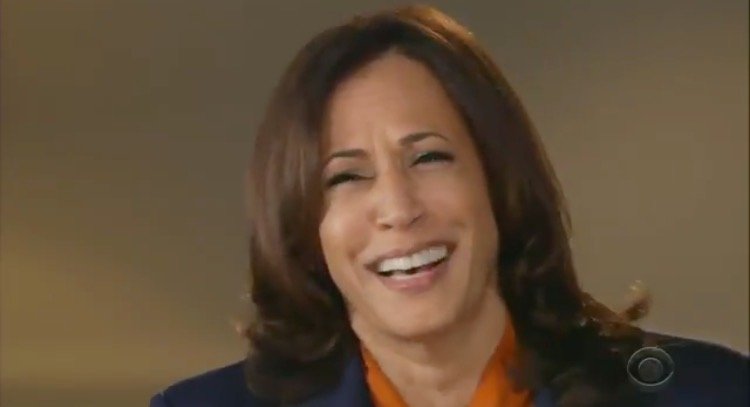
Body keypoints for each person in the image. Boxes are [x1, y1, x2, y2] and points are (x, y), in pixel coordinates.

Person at [150, 5, 748, 407]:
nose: (397, 207)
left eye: (430, 157)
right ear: (305, 227)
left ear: (497, 178)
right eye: (347, 176)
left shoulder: (710, 393)